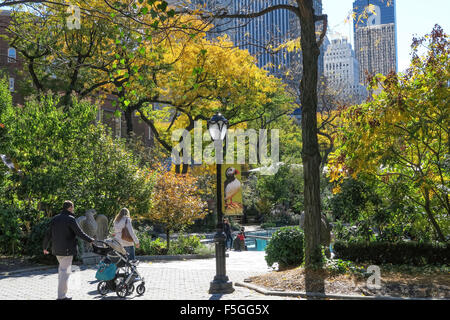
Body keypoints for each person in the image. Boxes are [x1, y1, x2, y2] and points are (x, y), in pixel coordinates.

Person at [43, 200, 95, 300]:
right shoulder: (70, 219)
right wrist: (90, 240)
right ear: (70, 207)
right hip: (67, 250)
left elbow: (48, 234)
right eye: (73, 207)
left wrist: (45, 247)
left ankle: (62, 295)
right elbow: (79, 233)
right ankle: (61, 297)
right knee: (64, 273)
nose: (73, 209)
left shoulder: (55, 218)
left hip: (57, 250)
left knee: (62, 272)